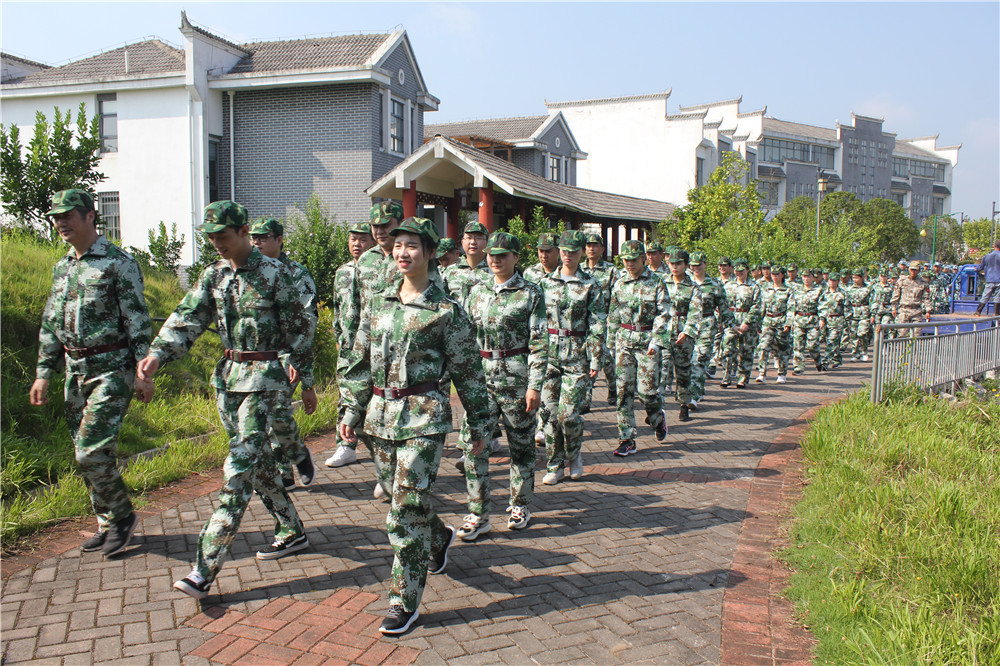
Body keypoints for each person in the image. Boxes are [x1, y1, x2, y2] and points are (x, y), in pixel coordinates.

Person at [139, 201, 315, 600]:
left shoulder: (275, 275)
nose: (217, 243)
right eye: (211, 237)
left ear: (243, 231)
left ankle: (203, 569)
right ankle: (291, 530)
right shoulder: (213, 276)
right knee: (259, 465)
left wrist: (300, 374)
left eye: (223, 236)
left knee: (237, 472)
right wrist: (156, 356)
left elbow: (300, 330)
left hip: (265, 383)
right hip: (228, 381)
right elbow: (187, 319)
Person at [338, 217, 490, 635]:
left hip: (423, 416)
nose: (402, 252)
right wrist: (351, 411)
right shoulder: (379, 302)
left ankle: (403, 601)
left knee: (403, 510)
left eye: (412, 246)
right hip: (379, 417)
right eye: (398, 245)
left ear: (429, 253)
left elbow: (470, 375)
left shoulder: (446, 312)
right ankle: (438, 537)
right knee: (400, 497)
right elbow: (357, 361)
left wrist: (478, 429)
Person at [30, 189, 151, 558]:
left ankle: (123, 516)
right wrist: (43, 373)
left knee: (91, 453)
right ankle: (106, 523)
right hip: (75, 370)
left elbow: (137, 319)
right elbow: (51, 324)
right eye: (56, 217)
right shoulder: (63, 266)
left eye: (68, 215)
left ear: (90, 216)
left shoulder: (118, 263)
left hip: (112, 369)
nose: (61, 222)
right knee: (86, 450)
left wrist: (144, 370)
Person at [458, 232, 547, 539]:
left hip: (516, 378)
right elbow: (465, 336)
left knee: (520, 446)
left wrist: (535, 386)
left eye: (502, 255)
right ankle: (478, 512)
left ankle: (521, 503)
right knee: (474, 445)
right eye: (491, 255)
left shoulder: (531, 293)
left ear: (516, 258)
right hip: (481, 379)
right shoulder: (477, 291)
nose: (495, 260)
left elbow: (539, 343)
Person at [248, 218, 318, 489]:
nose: (257, 242)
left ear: (279, 239)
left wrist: (302, 367)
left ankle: (285, 471)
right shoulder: (249, 271)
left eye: (263, 237)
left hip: (285, 357)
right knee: (259, 417)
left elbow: (306, 323)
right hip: (255, 356)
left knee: (277, 410)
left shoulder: (296, 274)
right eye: (254, 237)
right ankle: (287, 462)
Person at [538, 230, 605, 484]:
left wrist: (596, 358)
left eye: (573, 251)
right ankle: (554, 464)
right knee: (549, 414)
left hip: (577, 356)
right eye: (564, 250)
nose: (568, 255)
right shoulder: (545, 283)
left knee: (569, 415)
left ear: (580, 253)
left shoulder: (590, 284)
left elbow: (598, 324)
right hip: (548, 356)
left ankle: (574, 455)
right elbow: (535, 321)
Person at [606, 240, 670, 456]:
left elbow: (664, 313)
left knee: (647, 393)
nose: (629, 264)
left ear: (643, 259)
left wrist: (656, 340)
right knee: (623, 392)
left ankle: (657, 417)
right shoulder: (619, 283)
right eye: (625, 260)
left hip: (646, 341)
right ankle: (627, 438)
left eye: (633, 259)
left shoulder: (656, 283)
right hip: (624, 341)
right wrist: (610, 344)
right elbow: (613, 314)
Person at [326, 221, 375, 468]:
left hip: (371, 348)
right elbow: (337, 308)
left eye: (363, 239)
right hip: (347, 346)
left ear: (373, 241)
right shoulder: (342, 272)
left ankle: (380, 448)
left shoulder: (378, 271)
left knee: (369, 396)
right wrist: (338, 337)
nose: (357, 244)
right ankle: (345, 445)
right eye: (353, 239)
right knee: (345, 395)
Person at [688, 251, 734, 406]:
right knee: (688, 361)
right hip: (688, 324)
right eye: (693, 265)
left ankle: (693, 395)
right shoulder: (686, 282)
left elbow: (724, 307)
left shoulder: (714, 285)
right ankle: (698, 389)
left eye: (698, 265)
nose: (695, 268)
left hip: (707, 323)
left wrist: (731, 325)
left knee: (700, 359)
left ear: (705, 264)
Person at [662, 249, 703, 421]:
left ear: (686, 265)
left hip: (683, 333)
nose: (674, 267)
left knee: (683, 371)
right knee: (661, 370)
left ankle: (684, 404)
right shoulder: (662, 283)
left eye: (678, 263)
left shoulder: (693, 287)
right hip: (664, 331)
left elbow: (696, 312)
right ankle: (658, 406)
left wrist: (687, 331)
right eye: (672, 263)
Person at [583, 232, 619, 408]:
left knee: (608, 361)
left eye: (595, 245)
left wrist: (613, 323)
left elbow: (617, 298)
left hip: (606, 322)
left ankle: (613, 388)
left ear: (602, 249)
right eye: (588, 245)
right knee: (587, 359)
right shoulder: (579, 269)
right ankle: (586, 396)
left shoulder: (611, 270)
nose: (591, 248)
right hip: (584, 323)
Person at [720, 259, 762, 388]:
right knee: (727, 349)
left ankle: (742, 378)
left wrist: (747, 323)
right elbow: (722, 304)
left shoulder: (754, 287)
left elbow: (757, 306)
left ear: (747, 271)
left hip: (747, 320)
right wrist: (723, 321)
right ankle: (726, 376)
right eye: (737, 271)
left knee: (746, 351)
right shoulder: (728, 285)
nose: (739, 273)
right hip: (731, 320)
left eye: (742, 271)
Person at [754, 265, 793, 384]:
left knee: (781, 349)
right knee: (763, 347)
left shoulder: (788, 290)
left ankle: (781, 373)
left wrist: (788, 323)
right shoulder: (766, 289)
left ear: (782, 275)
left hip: (781, 320)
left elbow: (791, 308)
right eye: (773, 274)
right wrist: (758, 322)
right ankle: (762, 373)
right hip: (768, 321)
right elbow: (761, 307)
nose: (774, 276)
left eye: (777, 274)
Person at [443, 221, 492, 310]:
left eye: (478, 238)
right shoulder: (450, 271)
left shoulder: (494, 270)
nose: (473, 242)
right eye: (469, 238)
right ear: (462, 242)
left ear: (487, 243)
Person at [789, 269, 824, 374]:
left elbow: (822, 305)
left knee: (812, 345)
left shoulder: (819, 290)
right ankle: (799, 367)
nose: (806, 279)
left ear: (813, 277)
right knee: (798, 345)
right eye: (804, 277)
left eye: (808, 276)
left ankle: (818, 360)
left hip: (812, 320)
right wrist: (790, 321)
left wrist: (822, 319)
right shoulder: (797, 290)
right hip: (799, 320)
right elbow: (791, 306)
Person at [890, 260, 932, 335]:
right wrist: (894, 308)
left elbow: (926, 298)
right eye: (911, 269)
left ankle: (914, 347)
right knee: (902, 334)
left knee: (916, 335)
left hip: (916, 311)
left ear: (919, 271)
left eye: (915, 270)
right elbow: (896, 295)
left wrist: (928, 311)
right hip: (904, 310)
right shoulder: (902, 281)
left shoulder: (923, 282)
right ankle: (902, 347)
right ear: (909, 269)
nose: (913, 272)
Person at [844, 268, 875, 361]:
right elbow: (846, 303)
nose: (855, 279)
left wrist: (873, 314)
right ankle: (855, 353)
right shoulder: (849, 289)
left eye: (857, 277)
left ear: (862, 278)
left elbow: (872, 301)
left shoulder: (868, 288)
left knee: (862, 334)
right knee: (853, 335)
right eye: (853, 277)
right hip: (853, 314)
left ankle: (864, 352)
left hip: (864, 313)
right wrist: (846, 315)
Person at [818, 271, 847, 368]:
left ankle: (825, 362)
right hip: (827, 320)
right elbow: (821, 306)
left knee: (832, 341)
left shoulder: (842, 293)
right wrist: (821, 319)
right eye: (831, 280)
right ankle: (837, 359)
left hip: (837, 320)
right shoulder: (824, 292)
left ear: (838, 281)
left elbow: (848, 308)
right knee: (830, 342)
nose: (832, 283)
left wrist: (847, 321)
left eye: (834, 281)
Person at [973, 239, 1000, 316]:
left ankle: (978, 312)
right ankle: (996, 313)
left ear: (994, 246)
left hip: (990, 279)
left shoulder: (987, 256)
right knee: (997, 297)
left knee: (985, 296)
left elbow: (980, 267)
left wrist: (976, 269)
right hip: (999, 280)